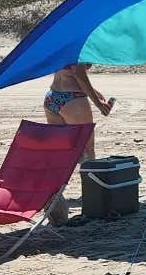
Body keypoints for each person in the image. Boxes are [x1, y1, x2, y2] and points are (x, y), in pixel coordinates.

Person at [43, 63, 112, 224]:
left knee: (60, 153)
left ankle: (54, 202)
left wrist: (92, 91)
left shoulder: (61, 41)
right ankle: (93, 199)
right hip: (72, 99)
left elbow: (70, 72)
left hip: (53, 96)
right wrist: (98, 104)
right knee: (87, 151)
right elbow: (78, 73)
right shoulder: (80, 45)